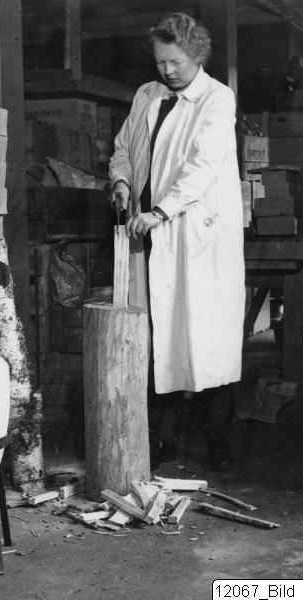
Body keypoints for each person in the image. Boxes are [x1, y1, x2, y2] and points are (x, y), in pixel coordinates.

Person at [109, 12, 245, 471]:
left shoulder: (217, 98)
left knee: (205, 341)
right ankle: (161, 442)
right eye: (160, 62)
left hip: (195, 235)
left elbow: (202, 167)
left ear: (198, 56)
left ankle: (219, 445)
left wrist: (161, 211)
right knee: (157, 339)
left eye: (175, 63)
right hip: (149, 234)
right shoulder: (147, 95)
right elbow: (124, 147)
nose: (166, 71)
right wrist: (122, 181)